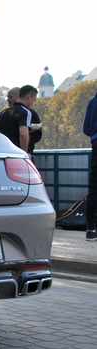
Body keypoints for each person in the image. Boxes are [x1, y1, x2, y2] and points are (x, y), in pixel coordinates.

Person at [0, 85, 38, 154]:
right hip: (17, 154)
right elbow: (23, 133)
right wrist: (24, 154)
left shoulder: (4, 112)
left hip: (5, 153)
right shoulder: (26, 112)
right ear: (29, 97)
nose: (33, 103)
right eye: (33, 99)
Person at [83, 90, 97, 241]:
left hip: (96, 143)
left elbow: (86, 128)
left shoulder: (92, 101)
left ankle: (91, 229)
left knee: (94, 188)